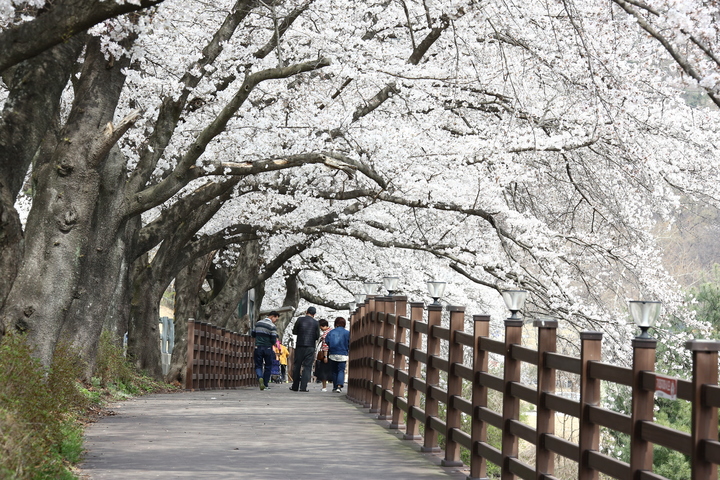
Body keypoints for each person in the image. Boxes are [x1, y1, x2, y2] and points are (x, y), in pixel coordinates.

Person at [290, 306, 319, 392]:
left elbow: (294, 331)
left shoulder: (300, 320)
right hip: (310, 346)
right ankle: (303, 387)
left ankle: (295, 386)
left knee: (297, 365)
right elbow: (317, 336)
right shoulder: (316, 323)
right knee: (307, 367)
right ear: (314, 314)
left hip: (300, 345)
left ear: (306, 312)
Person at [252, 311, 279, 390]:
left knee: (258, 365)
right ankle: (265, 384)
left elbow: (253, 334)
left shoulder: (258, 323)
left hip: (258, 347)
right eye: (276, 319)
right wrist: (274, 343)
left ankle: (260, 377)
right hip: (267, 348)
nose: (275, 321)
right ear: (273, 317)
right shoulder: (272, 326)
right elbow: (273, 339)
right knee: (268, 366)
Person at [325, 316, 350, 393]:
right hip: (343, 353)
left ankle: (335, 386)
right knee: (341, 370)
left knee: (334, 371)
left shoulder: (331, 332)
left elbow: (327, 341)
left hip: (333, 353)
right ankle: (339, 386)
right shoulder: (347, 333)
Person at [314, 319, 333, 392]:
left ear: (322, 326)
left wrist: (325, 356)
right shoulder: (332, 331)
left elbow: (325, 346)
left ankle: (324, 387)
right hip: (333, 353)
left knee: (324, 371)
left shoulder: (325, 334)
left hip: (326, 353)